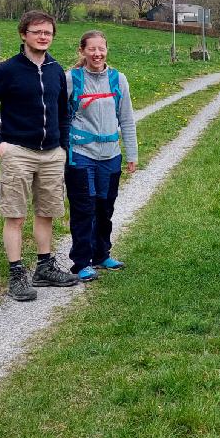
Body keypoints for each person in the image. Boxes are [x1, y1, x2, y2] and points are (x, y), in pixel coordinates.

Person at [0, 10, 80, 302]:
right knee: (15, 216)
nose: (43, 37)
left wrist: (63, 145)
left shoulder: (56, 69)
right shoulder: (7, 70)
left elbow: (63, 113)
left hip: (51, 154)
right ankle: (17, 273)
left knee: (47, 213)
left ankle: (44, 267)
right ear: (23, 34)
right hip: (17, 152)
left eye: (48, 32)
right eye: (37, 32)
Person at [65, 30, 138, 281]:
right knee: (84, 208)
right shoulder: (71, 79)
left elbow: (127, 119)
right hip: (81, 155)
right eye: (91, 49)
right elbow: (60, 117)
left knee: (105, 207)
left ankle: (102, 254)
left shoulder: (119, 79)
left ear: (107, 50)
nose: (97, 54)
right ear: (82, 51)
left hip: (111, 156)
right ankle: (81, 261)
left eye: (101, 49)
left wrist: (132, 153)